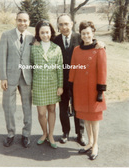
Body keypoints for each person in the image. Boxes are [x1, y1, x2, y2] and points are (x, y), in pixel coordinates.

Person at [54, 13, 104, 145]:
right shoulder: (55, 40)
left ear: (72, 24)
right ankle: (65, 132)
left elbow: (92, 43)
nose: (64, 27)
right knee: (63, 107)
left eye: (66, 24)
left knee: (78, 108)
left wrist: (101, 43)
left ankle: (80, 134)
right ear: (58, 26)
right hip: (61, 80)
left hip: (79, 81)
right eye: (61, 24)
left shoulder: (80, 36)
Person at [69, 21, 107, 160]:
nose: (86, 35)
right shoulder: (77, 49)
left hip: (93, 90)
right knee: (85, 117)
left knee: (94, 119)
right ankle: (89, 142)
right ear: (81, 34)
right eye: (83, 33)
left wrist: (100, 91)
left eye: (88, 33)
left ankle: (95, 144)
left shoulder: (99, 49)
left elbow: (102, 71)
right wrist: (70, 86)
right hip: (79, 88)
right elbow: (73, 68)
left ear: (93, 33)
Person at [0, 11, 34, 148]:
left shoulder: (32, 37)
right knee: (8, 107)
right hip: (10, 77)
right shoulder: (6, 35)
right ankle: (11, 133)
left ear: (29, 22)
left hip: (27, 77)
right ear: (16, 21)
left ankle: (26, 134)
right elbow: (1, 57)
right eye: (20, 20)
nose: (22, 23)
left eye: (25, 21)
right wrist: (3, 77)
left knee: (27, 107)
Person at [31, 20, 63, 149]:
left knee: (52, 110)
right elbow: (31, 65)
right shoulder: (34, 47)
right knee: (41, 113)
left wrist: (60, 86)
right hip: (39, 85)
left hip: (52, 84)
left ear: (51, 32)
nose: (45, 35)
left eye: (47, 32)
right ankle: (44, 133)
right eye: (42, 32)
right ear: (38, 34)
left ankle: (51, 135)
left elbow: (60, 68)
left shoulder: (56, 48)